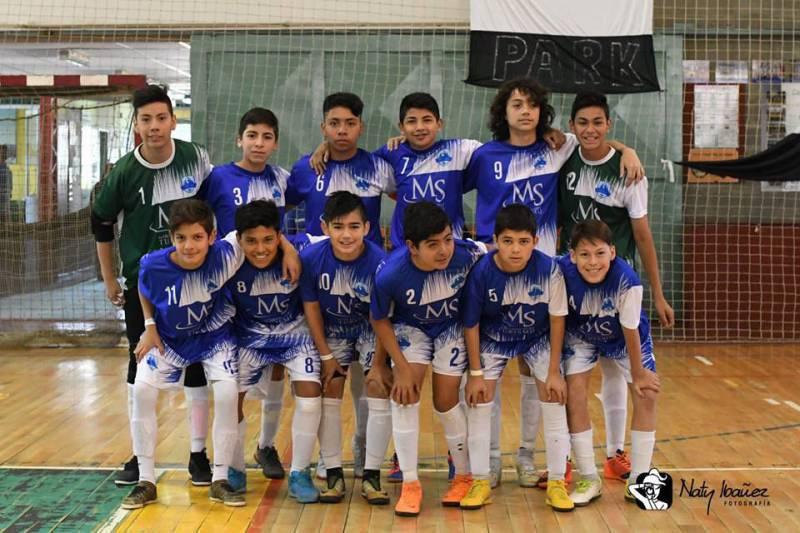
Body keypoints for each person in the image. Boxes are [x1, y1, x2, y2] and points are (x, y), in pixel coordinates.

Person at [464, 78, 644, 487]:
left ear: (542, 112)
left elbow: (593, 142)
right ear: (503, 112)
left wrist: (626, 149)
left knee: (536, 372)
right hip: (494, 272)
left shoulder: (557, 147)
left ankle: (527, 456)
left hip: (544, 274)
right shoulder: (483, 154)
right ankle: (488, 460)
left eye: (532, 105)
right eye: (516, 105)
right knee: (484, 375)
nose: (524, 111)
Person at [92, 85, 215, 487]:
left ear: (173, 120)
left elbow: (212, 213)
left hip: (194, 280)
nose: (154, 126)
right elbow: (101, 225)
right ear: (137, 125)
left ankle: (198, 454)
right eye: (146, 119)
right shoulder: (124, 172)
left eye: (161, 118)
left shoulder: (195, 158)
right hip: (143, 286)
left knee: (196, 364)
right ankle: (138, 455)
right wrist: (111, 278)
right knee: (139, 367)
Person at [559, 90, 675, 483]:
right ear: (572, 126)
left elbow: (643, 236)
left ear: (609, 124)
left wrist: (657, 292)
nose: (590, 129)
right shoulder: (566, 150)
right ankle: (572, 459)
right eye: (582, 122)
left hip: (615, 284)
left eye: (598, 122)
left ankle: (616, 455)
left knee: (618, 373)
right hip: (574, 278)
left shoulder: (628, 173)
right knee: (573, 378)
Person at [287, 92, 395, 475]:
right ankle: (324, 460)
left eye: (350, 123)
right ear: (323, 127)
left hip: (367, 290)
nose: (342, 131)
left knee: (369, 388)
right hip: (321, 285)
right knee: (325, 383)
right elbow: (274, 211)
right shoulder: (305, 169)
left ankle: (368, 456)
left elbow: (408, 200)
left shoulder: (379, 166)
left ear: (361, 126)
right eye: (334, 124)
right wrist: (286, 246)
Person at [121, 199, 246, 509]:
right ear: (171, 237)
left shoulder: (228, 253)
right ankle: (146, 480)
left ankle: (220, 478)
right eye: (181, 238)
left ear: (212, 236)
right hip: (170, 340)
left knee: (229, 392)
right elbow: (143, 287)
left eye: (197, 237)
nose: (189, 246)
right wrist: (149, 325)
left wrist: (286, 246)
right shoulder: (153, 264)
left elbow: (256, 229)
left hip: (215, 336)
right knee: (142, 390)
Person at [198, 107, 297, 480]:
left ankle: (266, 446)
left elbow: (281, 224)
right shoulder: (218, 178)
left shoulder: (282, 179)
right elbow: (197, 219)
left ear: (275, 143)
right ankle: (231, 457)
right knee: (231, 377)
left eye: (267, 136)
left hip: (270, 285)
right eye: (252, 135)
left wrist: (286, 246)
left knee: (275, 368)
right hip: (228, 287)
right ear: (239, 139)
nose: (259, 143)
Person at [370, 201, 486, 517]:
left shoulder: (469, 253)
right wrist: (400, 368)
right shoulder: (390, 274)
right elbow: (379, 319)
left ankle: (464, 475)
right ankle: (410, 484)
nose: (444, 250)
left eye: (447, 239)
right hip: (411, 329)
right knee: (404, 396)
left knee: (446, 401)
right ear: (411, 246)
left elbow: (494, 256)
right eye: (432, 245)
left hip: (452, 327)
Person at [460, 204, 573, 511]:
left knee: (552, 395)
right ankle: (481, 478)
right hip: (494, 339)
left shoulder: (549, 269)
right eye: (508, 241)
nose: (515, 249)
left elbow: (557, 319)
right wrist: (475, 373)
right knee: (480, 398)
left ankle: (557, 482)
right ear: (495, 240)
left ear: (535, 242)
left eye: (523, 241)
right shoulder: (482, 271)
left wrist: (553, 371)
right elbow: (470, 324)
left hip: (536, 338)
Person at [226, 199, 324, 504]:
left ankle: (299, 472)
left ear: (280, 236)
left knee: (309, 400)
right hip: (250, 338)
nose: (260, 249)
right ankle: (234, 467)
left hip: (295, 335)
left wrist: (290, 249)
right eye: (251, 241)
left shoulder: (300, 245)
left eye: (269, 240)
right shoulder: (226, 255)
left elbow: (339, 238)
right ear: (239, 239)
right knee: (230, 399)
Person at [557, 220, 660, 506]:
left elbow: (629, 329)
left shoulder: (628, 281)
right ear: (572, 255)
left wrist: (638, 373)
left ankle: (640, 480)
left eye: (600, 253)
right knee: (574, 392)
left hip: (624, 338)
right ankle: (589, 478)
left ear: (613, 253)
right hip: (582, 335)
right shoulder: (560, 271)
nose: (593, 262)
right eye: (586, 255)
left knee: (647, 392)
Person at [299, 191, 390, 504]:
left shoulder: (380, 263)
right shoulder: (311, 259)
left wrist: (378, 363)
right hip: (332, 330)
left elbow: (382, 318)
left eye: (354, 226)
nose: (346, 234)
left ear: (367, 227)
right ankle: (334, 472)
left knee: (378, 387)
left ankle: (372, 475)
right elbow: (311, 308)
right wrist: (325, 356)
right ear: (325, 227)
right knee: (331, 387)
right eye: (339, 227)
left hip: (369, 329)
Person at [0, 144, 12, 219]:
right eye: (2, 152)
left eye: (5, 152)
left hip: (5, 196)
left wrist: (10, 191)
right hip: (3, 194)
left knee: (6, 216)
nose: (4, 154)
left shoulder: (7, 169)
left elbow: (10, 182)